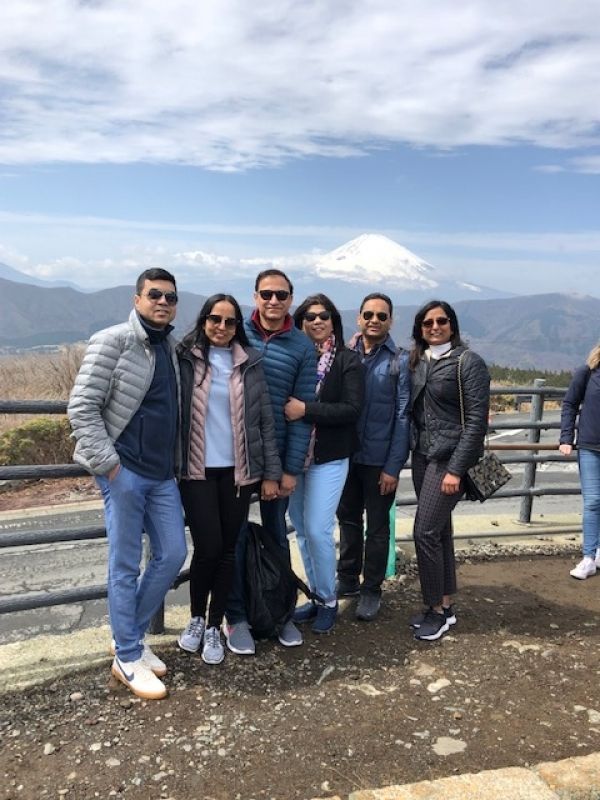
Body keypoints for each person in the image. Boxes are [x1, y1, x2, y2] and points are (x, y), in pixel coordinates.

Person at [67, 268, 187, 700]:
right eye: (154, 294)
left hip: (161, 474)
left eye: (170, 297)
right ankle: (129, 655)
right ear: (137, 299)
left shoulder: (171, 347)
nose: (162, 302)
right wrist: (109, 465)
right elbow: (81, 408)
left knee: (173, 553)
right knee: (124, 563)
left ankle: (126, 639)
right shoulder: (112, 341)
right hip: (126, 471)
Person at [176, 295, 282, 663]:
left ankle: (214, 626)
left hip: (238, 474)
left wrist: (270, 473)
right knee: (208, 547)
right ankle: (194, 618)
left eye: (230, 321)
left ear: (239, 326)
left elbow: (266, 422)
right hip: (196, 471)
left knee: (226, 550)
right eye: (215, 319)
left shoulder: (250, 364)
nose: (222, 327)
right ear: (203, 320)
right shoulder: (186, 358)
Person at [224, 269, 316, 655]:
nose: (273, 301)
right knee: (234, 539)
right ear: (255, 296)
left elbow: (301, 414)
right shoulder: (233, 332)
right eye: (267, 294)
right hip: (234, 457)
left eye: (281, 294)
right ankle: (238, 617)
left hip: (277, 458)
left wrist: (290, 469)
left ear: (291, 298)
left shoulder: (302, 346)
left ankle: (281, 615)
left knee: (278, 536)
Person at [408, 299, 490, 641]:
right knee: (439, 532)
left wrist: (456, 469)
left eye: (442, 321)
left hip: (448, 460)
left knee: (424, 532)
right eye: (428, 323)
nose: (435, 326)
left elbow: (476, 423)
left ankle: (436, 612)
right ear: (420, 328)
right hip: (423, 456)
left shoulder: (468, 362)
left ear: (452, 325)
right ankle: (445, 603)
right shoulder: (419, 360)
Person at [284, 294, 364, 633]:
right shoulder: (296, 357)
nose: (317, 321)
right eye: (310, 316)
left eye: (324, 316)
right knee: (301, 530)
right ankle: (316, 596)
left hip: (329, 457)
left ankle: (329, 599)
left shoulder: (348, 361)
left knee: (318, 529)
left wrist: (307, 410)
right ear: (301, 321)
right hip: (295, 457)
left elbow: (351, 409)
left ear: (334, 321)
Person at [336, 293, 410, 621]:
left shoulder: (401, 361)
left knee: (378, 528)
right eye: (368, 314)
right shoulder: (344, 354)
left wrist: (393, 465)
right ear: (358, 318)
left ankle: (372, 590)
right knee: (348, 520)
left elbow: (403, 415)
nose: (374, 320)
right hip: (346, 456)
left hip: (380, 460)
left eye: (382, 315)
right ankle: (348, 580)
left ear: (391, 320)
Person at [559, 344, 600, 579]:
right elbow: (570, 404)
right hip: (590, 446)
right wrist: (566, 436)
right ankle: (588, 557)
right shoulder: (588, 372)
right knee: (593, 501)